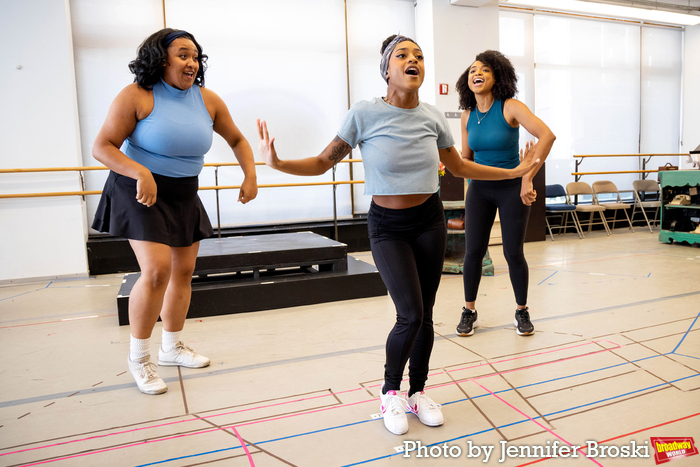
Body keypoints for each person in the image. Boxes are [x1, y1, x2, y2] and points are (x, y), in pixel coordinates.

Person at [257, 35, 538, 435]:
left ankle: (418, 392)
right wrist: (278, 162)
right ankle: (390, 392)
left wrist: (513, 173)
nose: (413, 61)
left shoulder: (432, 117)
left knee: (425, 317)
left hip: (429, 222)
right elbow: (323, 162)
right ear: (387, 69)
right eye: (403, 55)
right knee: (409, 314)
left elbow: (460, 168)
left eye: (419, 56)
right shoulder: (364, 114)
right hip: (387, 227)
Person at [91, 29, 258, 395]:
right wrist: (140, 172)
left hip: (184, 192)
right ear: (161, 59)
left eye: (196, 57)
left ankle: (172, 347)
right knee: (156, 271)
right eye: (183, 55)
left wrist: (250, 173)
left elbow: (237, 139)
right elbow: (102, 146)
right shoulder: (137, 96)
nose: (192, 63)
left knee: (183, 271)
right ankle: (139, 358)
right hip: (140, 190)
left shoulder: (207, 99)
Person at [454, 50, 555, 338]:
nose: (478, 73)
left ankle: (522, 311)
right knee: (473, 251)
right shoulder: (467, 115)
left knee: (513, 253)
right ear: (467, 80)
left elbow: (547, 136)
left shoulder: (510, 106)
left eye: (485, 69)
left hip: (512, 189)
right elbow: (466, 157)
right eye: (473, 69)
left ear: (497, 76)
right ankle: (469, 310)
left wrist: (527, 177)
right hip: (479, 190)